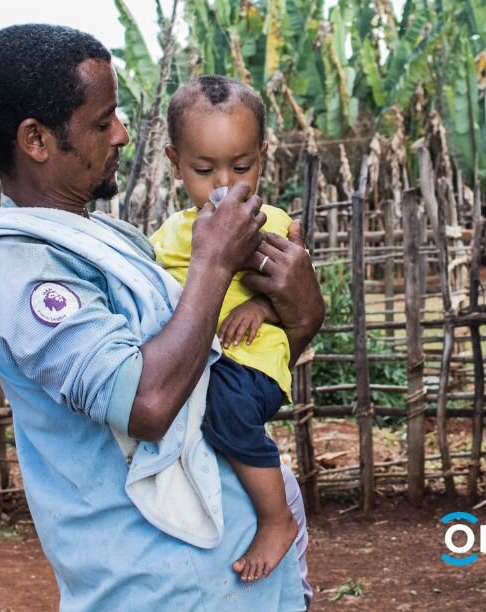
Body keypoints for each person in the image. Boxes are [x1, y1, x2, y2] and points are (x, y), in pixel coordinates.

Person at [0, 24, 325, 610]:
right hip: (163, 588)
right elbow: (147, 406)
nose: (123, 134)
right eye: (102, 122)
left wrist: (301, 312)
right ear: (36, 140)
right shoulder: (20, 265)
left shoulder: (109, 240)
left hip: (236, 577)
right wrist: (211, 262)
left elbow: (219, 376)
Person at [151, 74, 307, 583]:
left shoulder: (271, 224)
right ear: (175, 163)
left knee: (227, 410)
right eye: (203, 169)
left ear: (261, 156)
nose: (224, 185)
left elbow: (293, 294)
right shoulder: (166, 238)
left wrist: (260, 308)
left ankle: (275, 517)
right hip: (202, 363)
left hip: (252, 361)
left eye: (241, 167)